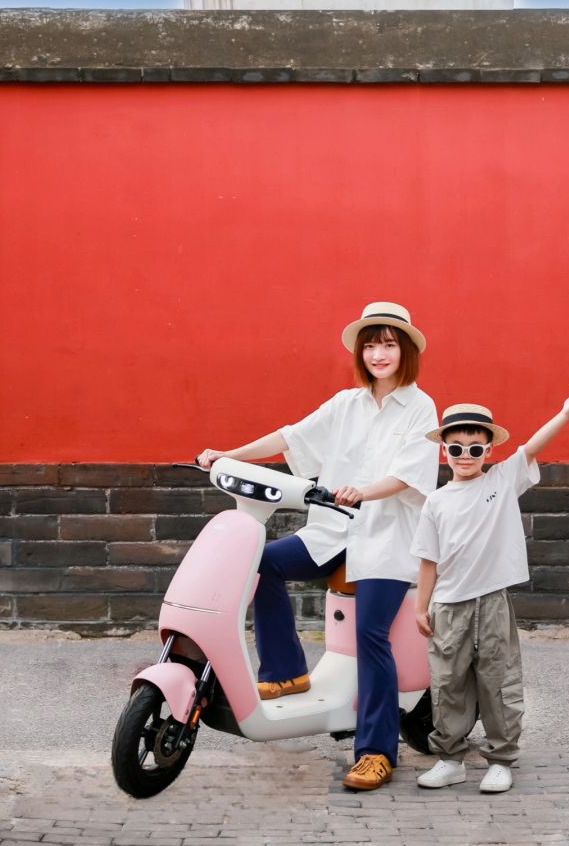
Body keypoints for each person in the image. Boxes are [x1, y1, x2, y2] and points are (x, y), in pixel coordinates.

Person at [196, 301, 439, 792]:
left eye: (389, 344)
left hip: (386, 537)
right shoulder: (344, 404)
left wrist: (363, 490)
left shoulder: (421, 407)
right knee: (260, 565)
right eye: (371, 344)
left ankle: (375, 751)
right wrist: (228, 454)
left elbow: (410, 473)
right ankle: (285, 673)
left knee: (371, 634)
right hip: (331, 530)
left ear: (406, 350)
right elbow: (291, 437)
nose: (378, 353)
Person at [411, 386, 569, 794]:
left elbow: (532, 446)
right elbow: (428, 560)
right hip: (447, 606)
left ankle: (501, 759)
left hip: (491, 602)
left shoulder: (502, 481)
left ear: (489, 451)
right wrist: (420, 607)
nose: (464, 457)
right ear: (443, 450)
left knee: (498, 681)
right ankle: (450, 759)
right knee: (447, 685)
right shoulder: (435, 502)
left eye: (475, 449)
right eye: (455, 448)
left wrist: (565, 413)